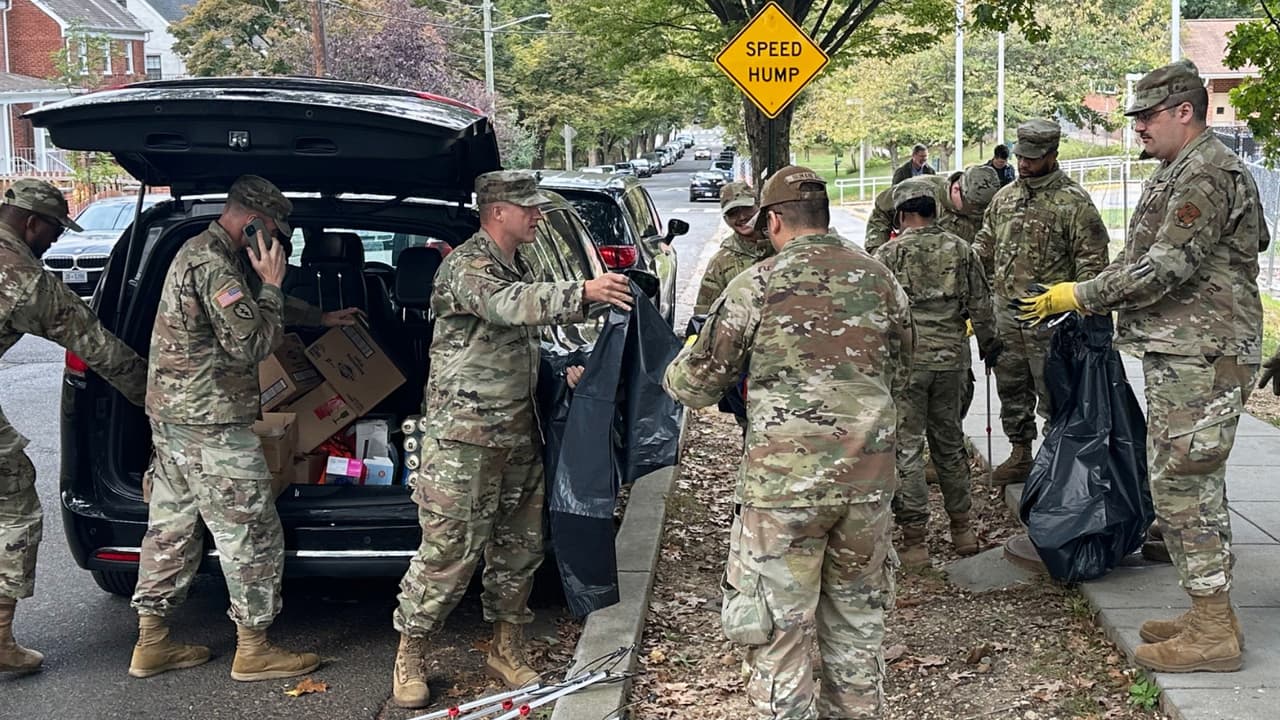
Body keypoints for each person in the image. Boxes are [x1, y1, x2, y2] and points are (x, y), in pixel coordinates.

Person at [1017, 60, 1268, 673]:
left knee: (1184, 486)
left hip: (1203, 353)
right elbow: (1246, 240)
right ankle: (1213, 611)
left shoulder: (1206, 172)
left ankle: (1213, 631)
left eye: (1146, 117)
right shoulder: (1182, 170)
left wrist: (1080, 294)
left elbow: (1165, 268)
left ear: (1185, 110)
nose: (1137, 129)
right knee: (1186, 480)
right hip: (1188, 349)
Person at [664, 166, 913, 719]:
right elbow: (902, 364)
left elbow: (695, 384)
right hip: (866, 484)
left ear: (774, 219)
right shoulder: (879, 278)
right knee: (856, 629)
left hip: (783, 490)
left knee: (778, 636)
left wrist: (672, 366)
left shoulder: (757, 284)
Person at [390, 171, 632, 709]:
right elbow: (508, 306)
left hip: (518, 430)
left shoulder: (516, 264)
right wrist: (584, 291)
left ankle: (506, 646)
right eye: (529, 209)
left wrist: (565, 364)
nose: (538, 217)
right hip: (464, 441)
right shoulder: (466, 267)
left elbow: (520, 336)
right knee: (449, 552)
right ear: (498, 211)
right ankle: (411, 650)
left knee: (519, 549)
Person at [128, 175, 321, 682]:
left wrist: (320, 316)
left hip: (173, 419)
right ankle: (254, 649)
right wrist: (277, 285)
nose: (277, 242)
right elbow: (253, 343)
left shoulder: (204, 253)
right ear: (254, 222)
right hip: (211, 424)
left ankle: (151, 642)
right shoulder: (216, 266)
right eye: (274, 231)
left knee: (170, 526)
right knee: (250, 530)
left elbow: (244, 307)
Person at [0, 180, 148, 673]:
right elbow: (99, 348)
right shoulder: (23, 278)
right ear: (31, 223)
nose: (55, 242)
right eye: (54, 231)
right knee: (14, 508)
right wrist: (160, 401)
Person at [971, 118, 1110, 486]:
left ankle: (1057, 461)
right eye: (1021, 156)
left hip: (1050, 321)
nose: (1024, 164)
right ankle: (1020, 453)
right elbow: (983, 247)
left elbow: (1093, 266)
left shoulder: (1074, 202)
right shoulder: (1005, 197)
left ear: (1053, 155)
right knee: (1011, 387)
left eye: (1033, 157)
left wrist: (1077, 309)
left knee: (1057, 392)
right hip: (1006, 316)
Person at [874, 177, 1000, 567]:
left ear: (902, 214)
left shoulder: (888, 256)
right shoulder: (961, 250)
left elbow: (877, 315)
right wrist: (990, 347)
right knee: (949, 444)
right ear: (935, 212)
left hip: (907, 365)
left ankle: (915, 541)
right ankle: (962, 528)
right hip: (951, 361)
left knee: (908, 449)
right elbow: (981, 306)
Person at [866, 165, 1002, 255]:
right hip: (912, 265)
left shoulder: (984, 206)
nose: (977, 213)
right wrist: (877, 252)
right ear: (956, 189)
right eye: (973, 208)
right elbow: (880, 212)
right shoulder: (918, 189)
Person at [693, 182, 774, 315]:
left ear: (758, 206)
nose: (742, 217)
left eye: (746, 208)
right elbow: (704, 313)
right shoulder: (720, 263)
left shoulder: (782, 245)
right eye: (733, 213)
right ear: (725, 219)